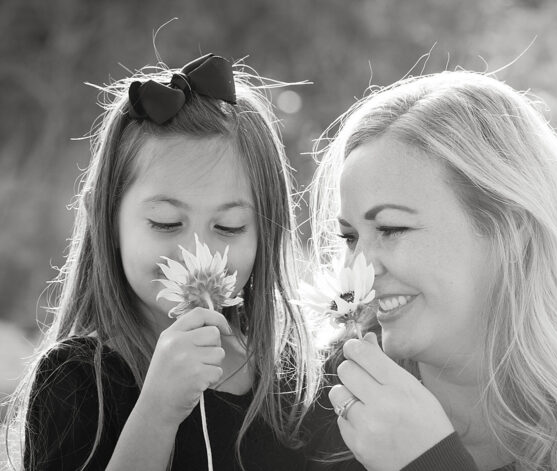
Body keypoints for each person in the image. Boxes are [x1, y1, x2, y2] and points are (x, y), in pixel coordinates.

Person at [305, 71, 557, 470]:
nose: (360, 269)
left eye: (391, 229)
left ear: (512, 232)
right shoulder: (313, 403)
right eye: (350, 237)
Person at [3, 53, 323, 470]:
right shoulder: (76, 381)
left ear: (268, 229)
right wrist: (157, 413)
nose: (197, 254)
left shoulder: (295, 381)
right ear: (105, 223)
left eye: (228, 227)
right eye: (166, 223)